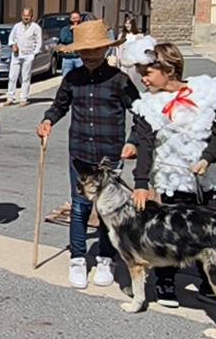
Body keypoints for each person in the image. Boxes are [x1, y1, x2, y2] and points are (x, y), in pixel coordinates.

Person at [126, 42, 216, 307]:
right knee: (171, 230)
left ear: (169, 70)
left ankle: (211, 283)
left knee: (209, 231)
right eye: (140, 73)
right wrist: (141, 183)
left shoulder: (206, 91)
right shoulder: (148, 104)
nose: (143, 79)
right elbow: (145, 145)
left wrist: (207, 158)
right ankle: (165, 281)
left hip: (205, 178)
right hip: (171, 179)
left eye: (147, 73)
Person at [37, 19, 140, 289]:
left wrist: (133, 141)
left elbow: (142, 114)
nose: (90, 55)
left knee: (108, 208)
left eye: (95, 50)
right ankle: (78, 258)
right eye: (85, 51)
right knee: (80, 206)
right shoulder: (72, 78)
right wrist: (48, 120)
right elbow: (59, 105)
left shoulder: (120, 80)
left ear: (106, 49)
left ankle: (106, 258)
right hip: (80, 153)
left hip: (110, 154)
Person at [6, 8, 43, 105]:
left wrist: (34, 54)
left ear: (31, 16)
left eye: (28, 16)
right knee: (12, 77)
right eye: (24, 15)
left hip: (28, 55)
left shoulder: (36, 27)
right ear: (21, 16)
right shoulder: (17, 26)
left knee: (25, 77)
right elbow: (11, 38)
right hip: (16, 55)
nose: (26, 17)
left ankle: (23, 98)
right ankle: (10, 98)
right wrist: (13, 45)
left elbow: (39, 42)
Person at [58, 11, 84, 76]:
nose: (75, 20)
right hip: (67, 58)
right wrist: (72, 31)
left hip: (80, 58)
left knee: (81, 77)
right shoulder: (65, 29)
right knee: (66, 78)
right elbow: (64, 40)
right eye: (73, 18)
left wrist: (78, 31)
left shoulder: (83, 29)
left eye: (77, 18)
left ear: (80, 18)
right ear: (70, 19)